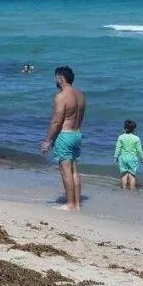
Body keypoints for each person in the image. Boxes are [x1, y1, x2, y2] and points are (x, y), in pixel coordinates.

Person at [39, 66, 87, 211]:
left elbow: (56, 122)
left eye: (56, 78)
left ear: (61, 79)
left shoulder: (61, 96)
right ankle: (77, 204)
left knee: (65, 172)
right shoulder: (80, 95)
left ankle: (70, 204)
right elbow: (80, 118)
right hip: (77, 134)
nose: (55, 81)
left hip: (65, 135)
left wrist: (47, 141)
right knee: (74, 171)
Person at [114, 119, 143, 191]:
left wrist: (115, 157)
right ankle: (131, 190)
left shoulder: (121, 137)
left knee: (124, 174)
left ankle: (124, 189)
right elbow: (139, 150)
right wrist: (142, 158)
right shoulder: (136, 138)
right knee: (132, 175)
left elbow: (118, 148)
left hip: (123, 158)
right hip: (133, 159)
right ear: (134, 129)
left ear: (124, 128)